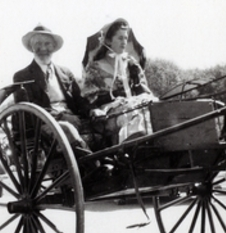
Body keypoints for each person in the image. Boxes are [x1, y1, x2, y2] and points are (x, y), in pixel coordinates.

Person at [13, 25, 92, 154]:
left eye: (47, 43)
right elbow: (29, 110)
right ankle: (95, 167)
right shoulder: (22, 76)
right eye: (38, 43)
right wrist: (61, 116)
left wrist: (92, 111)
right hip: (43, 125)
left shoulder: (66, 72)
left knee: (104, 123)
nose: (43, 48)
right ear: (31, 47)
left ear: (54, 47)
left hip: (73, 118)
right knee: (67, 129)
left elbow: (79, 100)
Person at [82, 18, 156, 144]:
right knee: (133, 110)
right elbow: (88, 99)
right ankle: (130, 147)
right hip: (107, 115)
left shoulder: (132, 64)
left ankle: (152, 143)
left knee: (153, 105)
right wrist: (94, 110)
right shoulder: (94, 68)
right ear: (108, 40)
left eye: (126, 38)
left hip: (134, 106)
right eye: (120, 38)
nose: (124, 42)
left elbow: (143, 89)